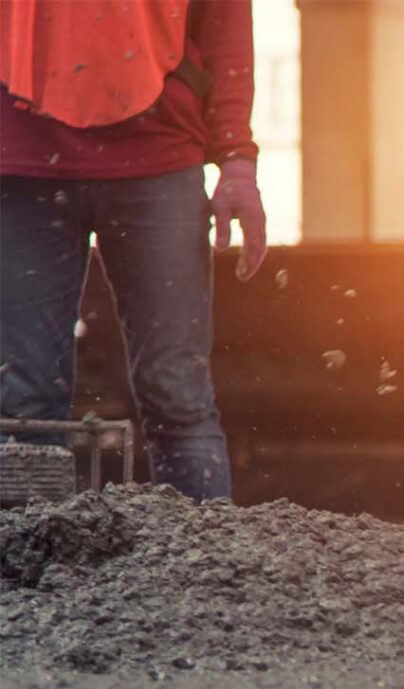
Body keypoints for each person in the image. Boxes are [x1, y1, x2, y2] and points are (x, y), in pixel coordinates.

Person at [0, 0, 266, 504]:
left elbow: (224, 20)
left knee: (177, 395)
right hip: (22, 162)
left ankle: (205, 573)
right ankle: (26, 577)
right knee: (24, 404)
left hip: (154, 154)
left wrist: (236, 160)